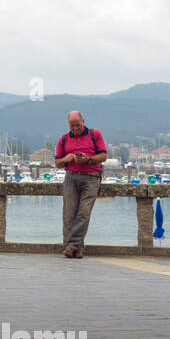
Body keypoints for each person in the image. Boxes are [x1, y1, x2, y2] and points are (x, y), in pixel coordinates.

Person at [55, 110, 107, 258]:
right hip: (71, 177)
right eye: (72, 126)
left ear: (83, 121)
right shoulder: (64, 139)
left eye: (77, 125)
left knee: (84, 213)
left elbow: (103, 156)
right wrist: (67, 159)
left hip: (91, 177)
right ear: (68, 125)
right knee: (69, 214)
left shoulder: (94, 134)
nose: (75, 128)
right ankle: (77, 249)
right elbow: (57, 163)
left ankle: (71, 246)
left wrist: (88, 159)